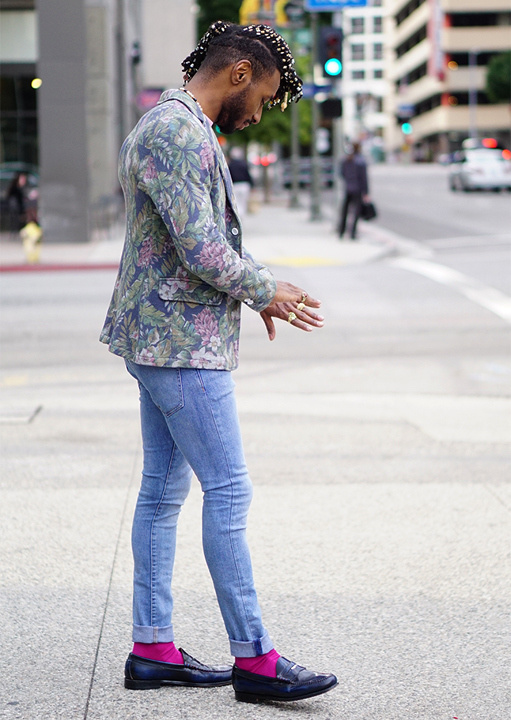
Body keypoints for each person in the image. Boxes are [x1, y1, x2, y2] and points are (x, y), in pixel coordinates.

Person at [100, 21, 338, 704]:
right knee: (228, 491)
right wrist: (268, 289)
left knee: (163, 492)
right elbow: (203, 250)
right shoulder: (175, 133)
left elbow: (202, 242)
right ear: (237, 73)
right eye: (259, 97)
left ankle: (153, 648)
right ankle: (255, 660)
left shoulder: (176, 127)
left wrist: (253, 290)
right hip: (178, 344)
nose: (257, 112)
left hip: (165, 337)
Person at [338, 142, 370, 240]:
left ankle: (341, 231)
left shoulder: (345, 161)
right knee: (356, 212)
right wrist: (366, 192)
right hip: (357, 189)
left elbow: (341, 174)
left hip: (348, 188)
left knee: (345, 211)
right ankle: (352, 233)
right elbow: (364, 178)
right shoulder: (360, 161)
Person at [227, 146, 253, 218]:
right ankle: (242, 215)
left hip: (235, 185)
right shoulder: (244, 164)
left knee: (237, 202)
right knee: (243, 201)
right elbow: (248, 174)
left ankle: (238, 215)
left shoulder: (230, 165)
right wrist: (252, 184)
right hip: (245, 185)